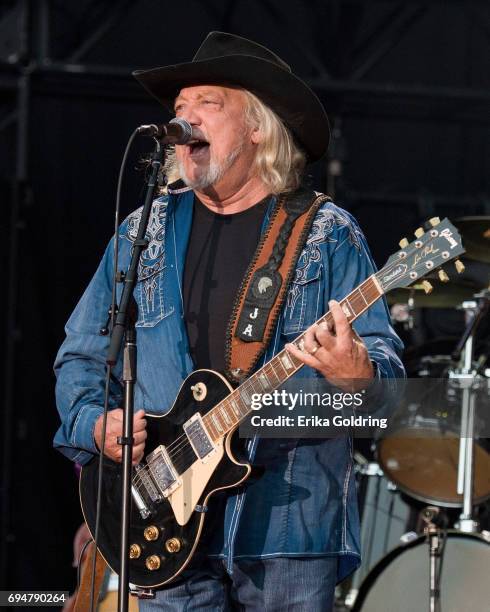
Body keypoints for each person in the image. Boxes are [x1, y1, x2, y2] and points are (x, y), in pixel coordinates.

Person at [54, 31, 404, 611]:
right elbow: (84, 357)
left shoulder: (325, 235)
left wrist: (357, 376)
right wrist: (95, 425)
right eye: (179, 109)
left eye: (207, 104)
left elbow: (388, 391)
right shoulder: (145, 232)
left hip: (285, 532)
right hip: (161, 518)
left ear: (258, 126)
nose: (185, 120)